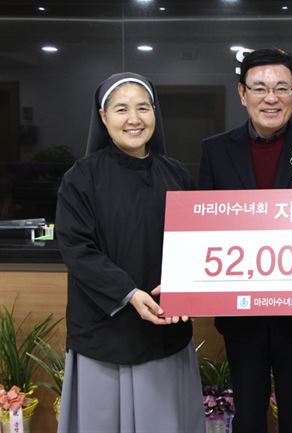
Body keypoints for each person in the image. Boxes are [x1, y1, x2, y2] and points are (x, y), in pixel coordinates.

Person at [198, 48, 292, 433]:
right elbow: (201, 230)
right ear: (242, 93)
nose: (270, 97)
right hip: (240, 310)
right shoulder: (214, 150)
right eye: (259, 88)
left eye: (281, 87)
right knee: (248, 411)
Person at [55, 72, 205, 433]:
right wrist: (130, 293)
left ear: (155, 113)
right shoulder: (81, 177)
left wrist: (184, 288)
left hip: (165, 328)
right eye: (121, 109)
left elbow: (196, 245)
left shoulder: (177, 175)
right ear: (103, 118)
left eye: (143, 107)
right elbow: (76, 248)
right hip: (105, 331)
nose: (134, 119)